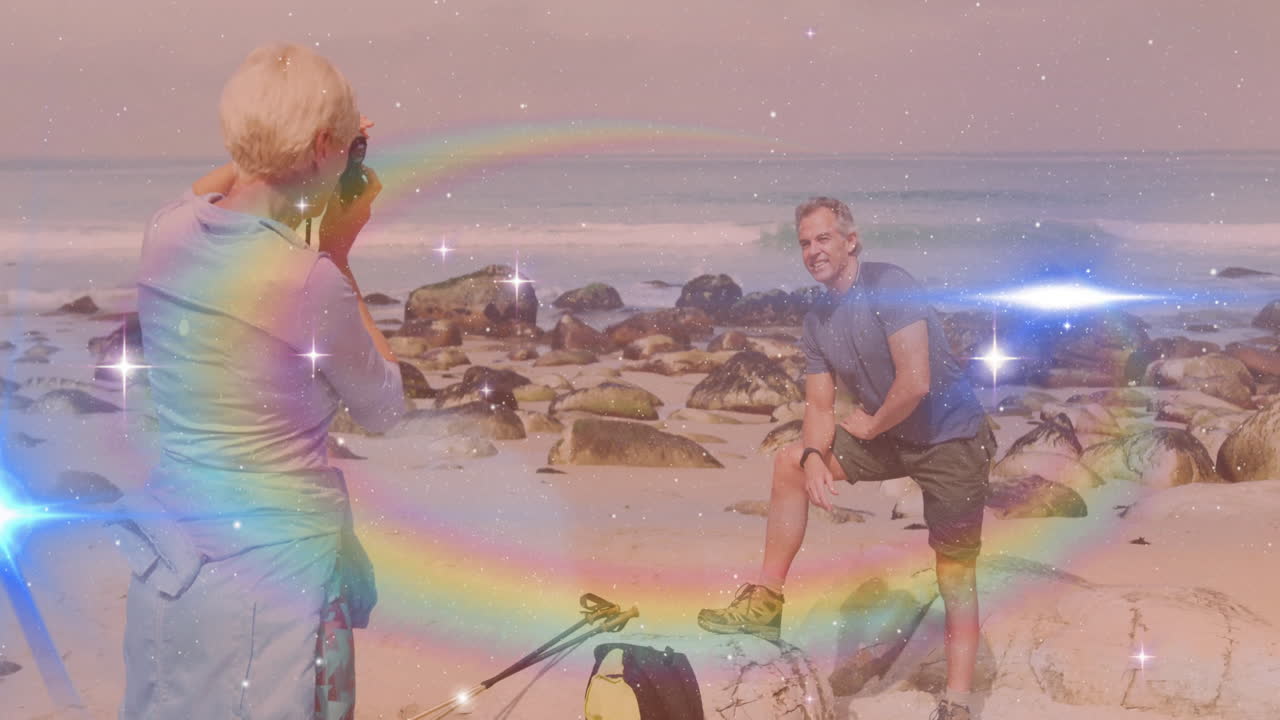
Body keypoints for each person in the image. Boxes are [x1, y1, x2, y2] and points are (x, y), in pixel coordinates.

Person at [111, 43, 403, 720]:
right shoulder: (309, 279)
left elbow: (227, 181)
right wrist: (336, 251)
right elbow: (385, 405)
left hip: (173, 565)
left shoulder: (167, 232)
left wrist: (297, 147)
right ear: (325, 146)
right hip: (278, 581)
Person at [696, 197, 995, 720]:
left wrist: (871, 425)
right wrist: (814, 455)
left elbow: (916, 381)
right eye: (806, 243)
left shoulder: (890, 286)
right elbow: (818, 404)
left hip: (952, 439)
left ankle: (959, 700)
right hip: (890, 437)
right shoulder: (817, 319)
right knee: (787, 462)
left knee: (954, 573)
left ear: (850, 241)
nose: (814, 251)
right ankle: (765, 602)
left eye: (824, 239)